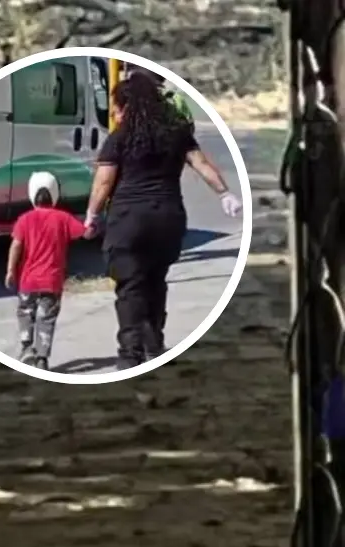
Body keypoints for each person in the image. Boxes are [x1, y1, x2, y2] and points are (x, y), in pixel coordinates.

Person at [83, 72, 242, 370]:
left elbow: (104, 183)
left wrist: (92, 215)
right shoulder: (177, 133)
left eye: (116, 106)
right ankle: (155, 346)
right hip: (168, 218)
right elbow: (202, 165)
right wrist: (224, 194)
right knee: (156, 281)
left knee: (130, 286)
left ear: (125, 105)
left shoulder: (119, 138)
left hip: (128, 220)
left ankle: (130, 354)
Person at [5, 171, 86, 371]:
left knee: (26, 313)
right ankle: (42, 358)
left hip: (28, 281)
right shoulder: (63, 218)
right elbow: (84, 232)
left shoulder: (24, 219)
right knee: (46, 319)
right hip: (52, 282)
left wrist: (10, 271)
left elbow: (16, 245)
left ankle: (26, 349)